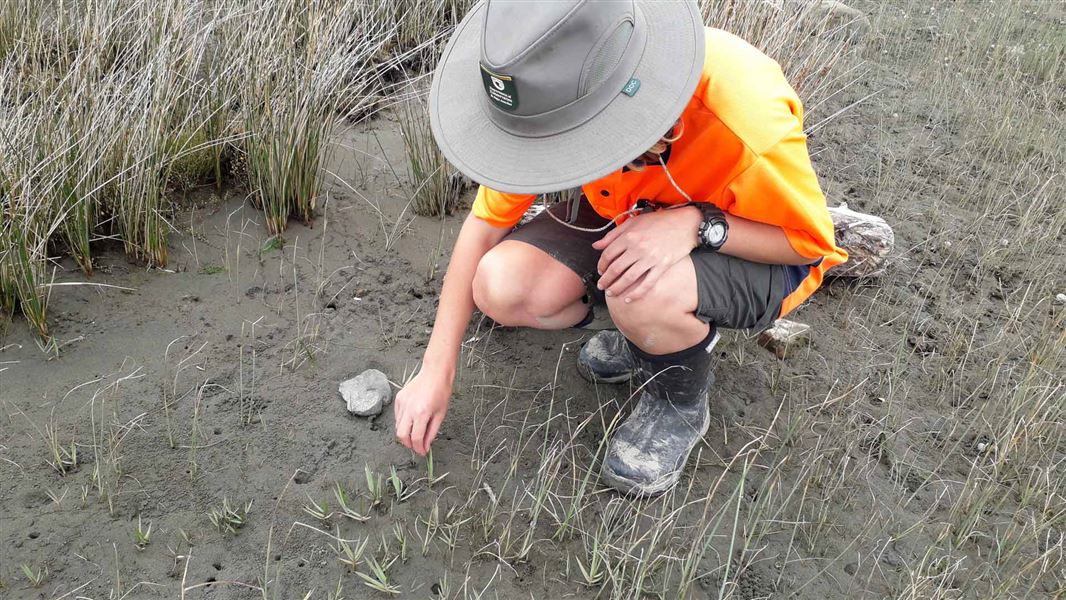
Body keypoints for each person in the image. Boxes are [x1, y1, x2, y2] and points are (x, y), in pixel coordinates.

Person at [393, 0, 846, 496]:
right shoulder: (550, 92)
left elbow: (805, 245)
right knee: (500, 287)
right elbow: (482, 228)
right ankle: (646, 337)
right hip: (631, 213)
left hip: (755, 246)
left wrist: (696, 225)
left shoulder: (741, 117)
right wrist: (435, 371)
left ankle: (679, 401)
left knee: (638, 291)